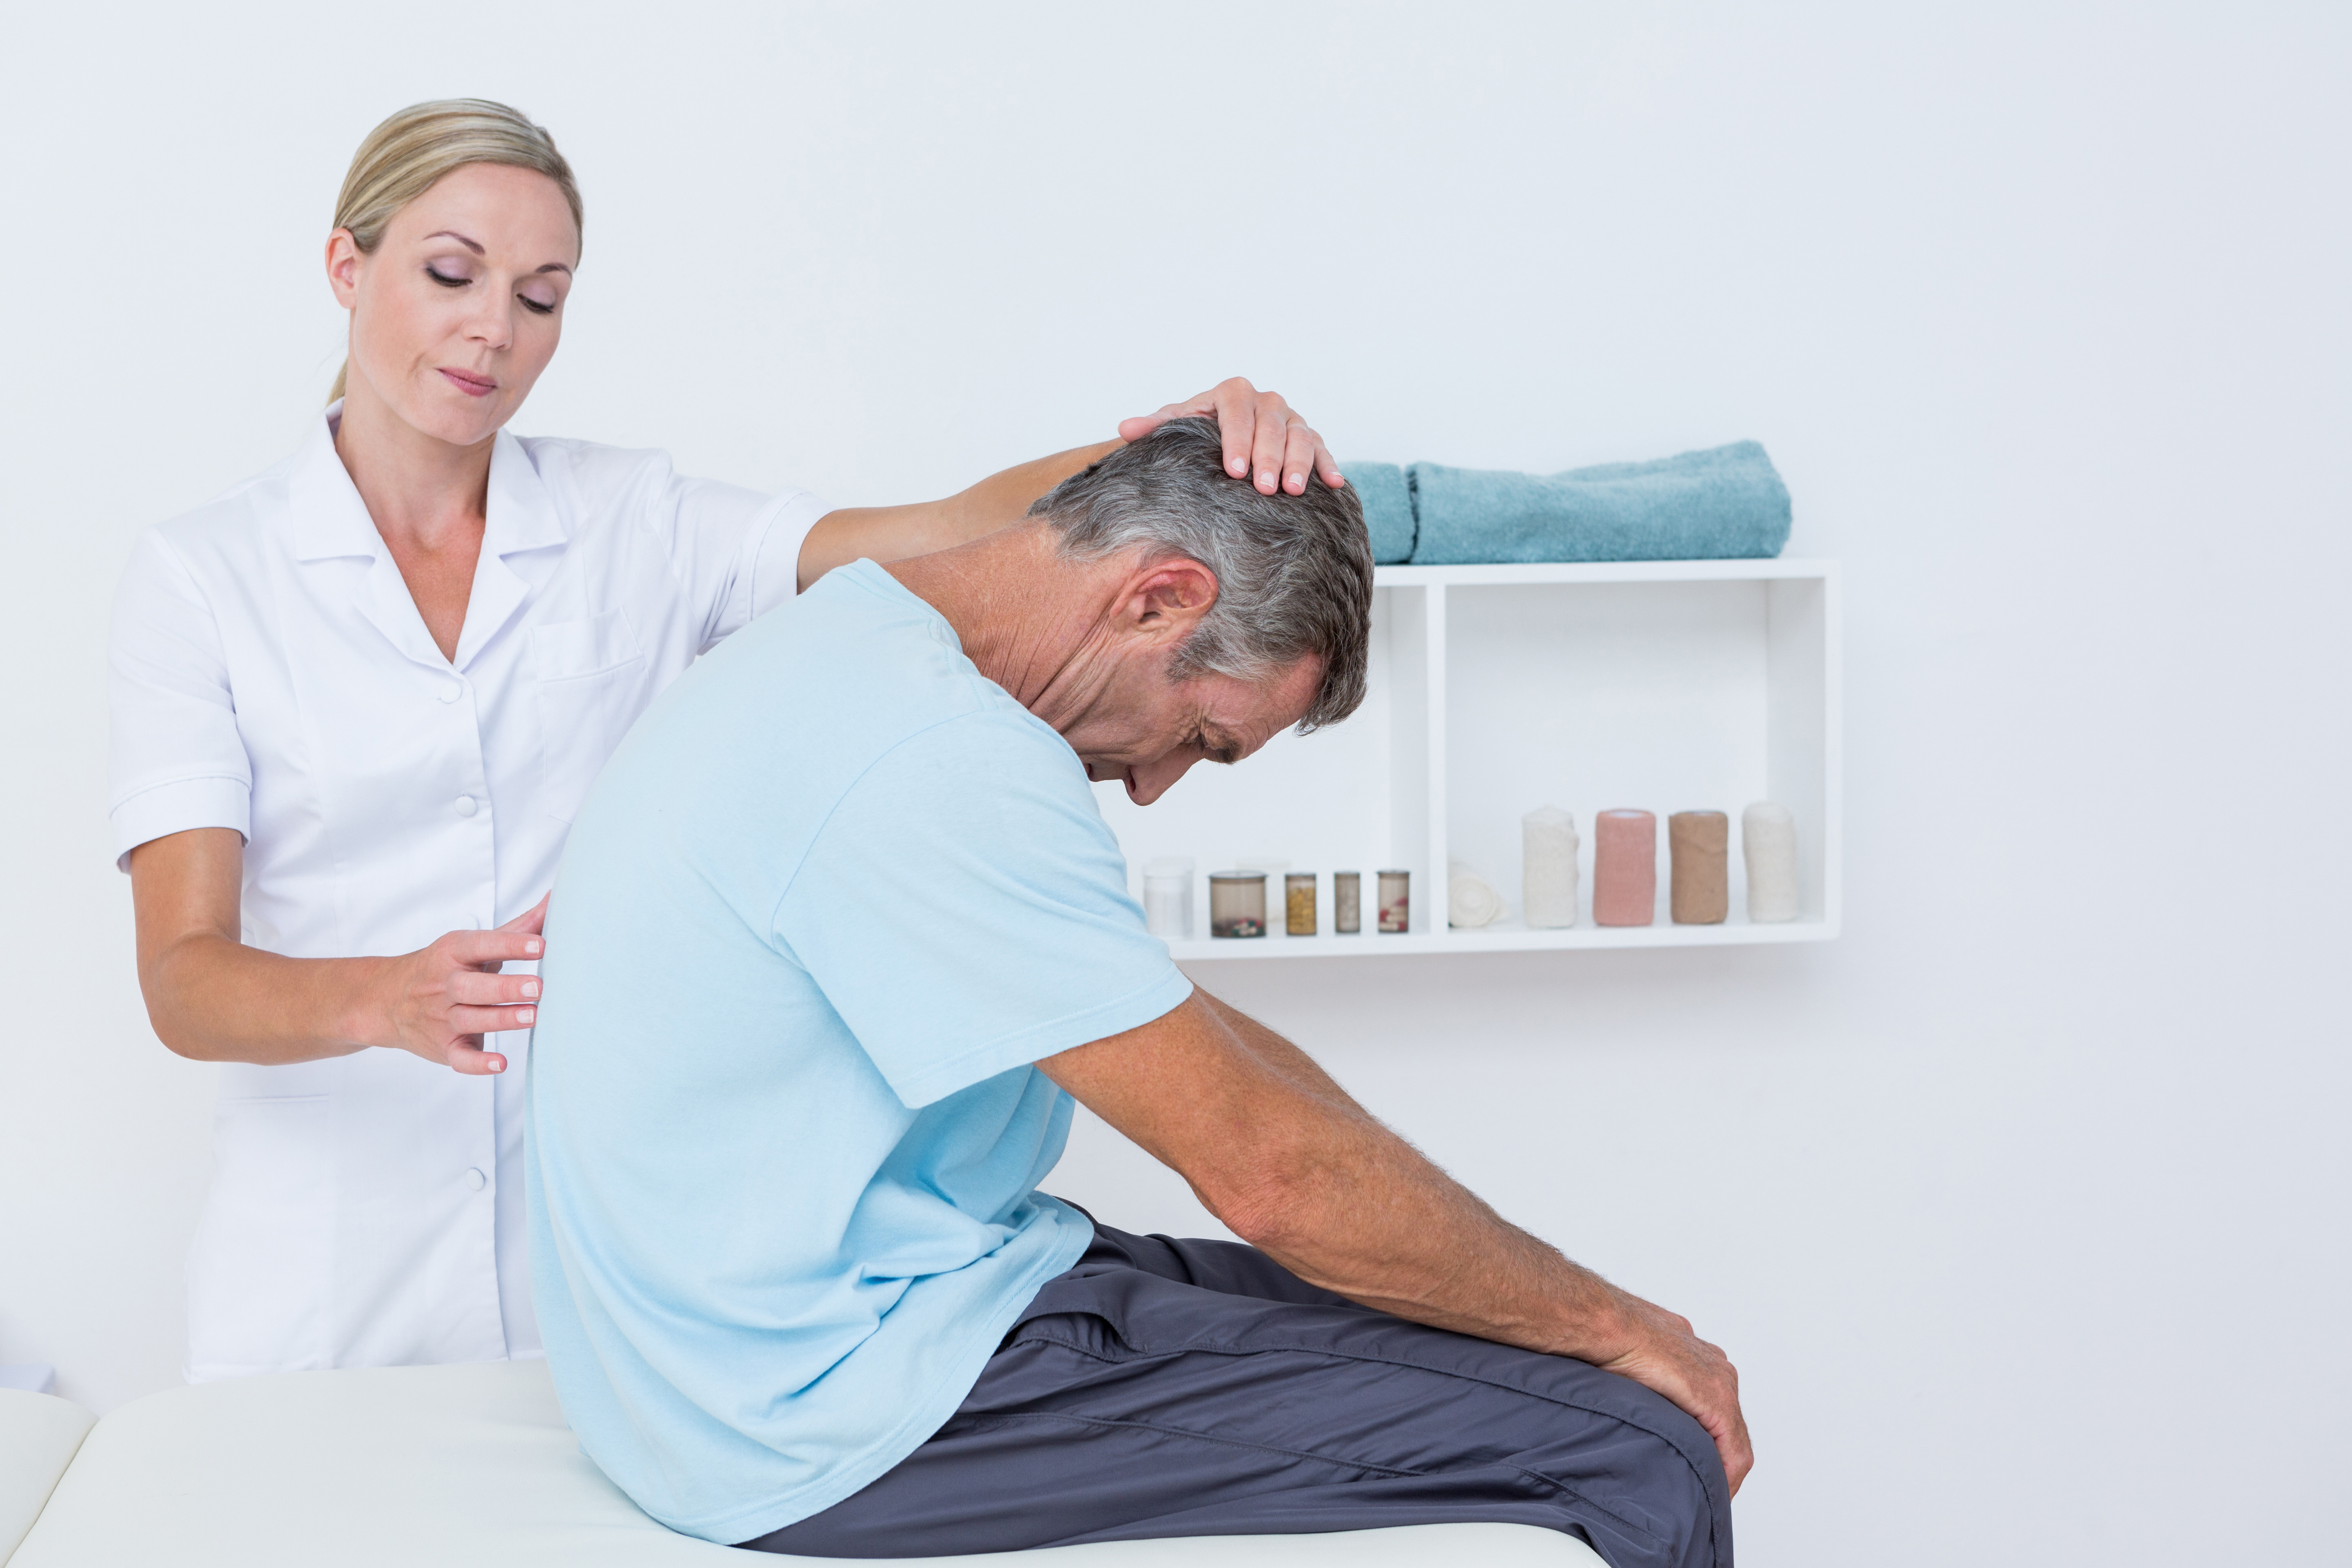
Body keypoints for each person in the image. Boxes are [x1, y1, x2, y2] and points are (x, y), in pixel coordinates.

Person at [110, 96, 1341, 1385]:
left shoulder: (631, 518)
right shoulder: (203, 577)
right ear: (347, 268)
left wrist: (1176, 452)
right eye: (451, 274)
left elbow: (935, 535)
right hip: (322, 1263)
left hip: (600, 1250)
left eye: (542, 297)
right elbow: (185, 980)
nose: (493, 330)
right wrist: (381, 995)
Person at [527, 419, 1751, 1567]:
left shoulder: (853, 645)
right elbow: (1274, 1177)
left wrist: (1553, 1309)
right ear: (1159, 596)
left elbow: (1202, 1045)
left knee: (1467, 1327)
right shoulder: (938, 760)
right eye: (1204, 737)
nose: (1159, 787)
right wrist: (1629, 1331)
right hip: (812, 1409)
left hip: (742, 1356)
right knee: (1644, 1447)